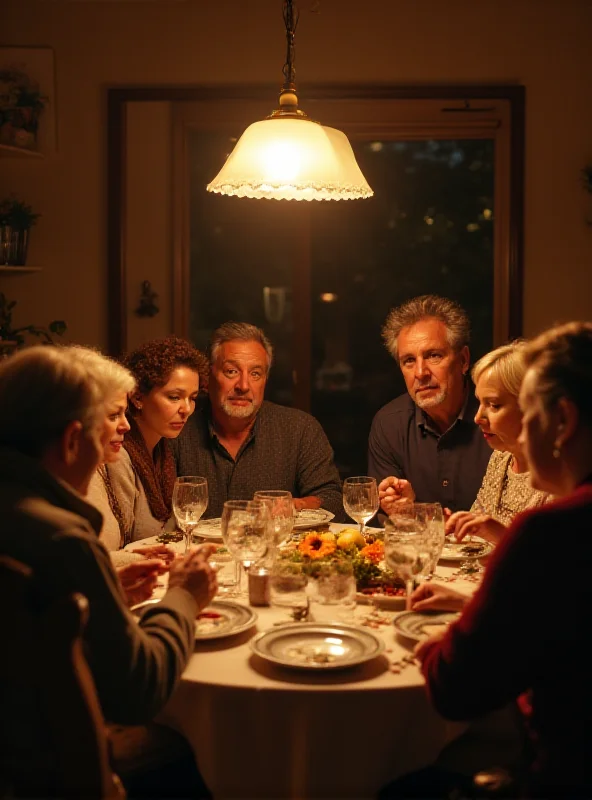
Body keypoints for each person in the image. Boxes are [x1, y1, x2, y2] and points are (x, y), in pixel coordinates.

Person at [0, 345, 218, 793]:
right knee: (213, 737)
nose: (116, 441)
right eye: (108, 427)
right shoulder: (63, 541)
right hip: (54, 770)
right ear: (71, 440)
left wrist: (107, 591)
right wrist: (183, 596)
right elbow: (139, 692)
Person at [414, 321, 592, 798]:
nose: (480, 420)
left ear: (564, 422)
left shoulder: (553, 531)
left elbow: (454, 687)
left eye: (527, 411)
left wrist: (428, 644)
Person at [172, 321, 344, 519]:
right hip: (194, 549)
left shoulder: (299, 429)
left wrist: (297, 505)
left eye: (255, 373)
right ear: (208, 376)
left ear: (265, 380)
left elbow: (333, 500)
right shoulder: (179, 429)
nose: (243, 386)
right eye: (231, 371)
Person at [369, 295, 491, 515]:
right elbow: (389, 521)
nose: (420, 373)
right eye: (408, 361)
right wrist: (402, 509)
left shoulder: (497, 418)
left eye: (434, 356)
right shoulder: (389, 424)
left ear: (463, 360)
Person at [446, 340, 550, 545]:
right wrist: (454, 525)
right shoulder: (501, 458)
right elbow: (476, 531)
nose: (477, 417)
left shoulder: (560, 475)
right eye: (479, 402)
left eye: (493, 405)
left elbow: (562, 567)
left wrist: (500, 535)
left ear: (531, 406)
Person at [108, 335, 209, 541]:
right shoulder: (119, 454)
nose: (187, 409)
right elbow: (115, 547)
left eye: (193, 398)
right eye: (174, 397)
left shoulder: (163, 452)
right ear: (137, 397)